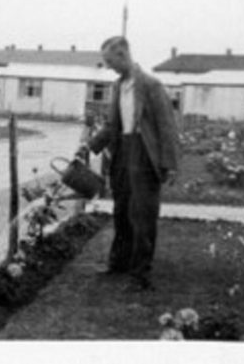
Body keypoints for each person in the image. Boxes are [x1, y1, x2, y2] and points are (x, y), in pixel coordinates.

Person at [77, 36, 179, 292]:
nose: (109, 66)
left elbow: (167, 125)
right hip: (122, 152)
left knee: (142, 214)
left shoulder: (151, 85)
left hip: (144, 154)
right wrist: (90, 146)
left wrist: (170, 164)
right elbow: (113, 125)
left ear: (123, 55)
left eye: (110, 61)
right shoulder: (116, 87)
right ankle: (118, 264)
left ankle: (140, 274)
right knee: (121, 210)